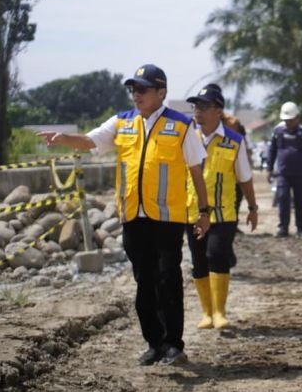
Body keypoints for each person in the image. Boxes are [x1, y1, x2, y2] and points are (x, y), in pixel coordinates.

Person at [38, 64, 210, 366]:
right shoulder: (122, 122)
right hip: (133, 216)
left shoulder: (182, 125)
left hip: (168, 218)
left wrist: (204, 211)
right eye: (133, 89)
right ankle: (154, 343)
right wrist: (63, 138)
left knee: (168, 278)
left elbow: (196, 170)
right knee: (144, 281)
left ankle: (173, 344)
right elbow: (90, 140)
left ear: (161, 92)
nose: (136, 94)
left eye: (142, 89)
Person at [185, 84, 259, 330]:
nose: (198, 110)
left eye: (204, 106)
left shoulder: (234, 141)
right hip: (193, 211)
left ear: (218, 111)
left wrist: (253, 207)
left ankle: (219, 312)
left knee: (216, 255)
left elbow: (244, 177)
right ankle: (206, 312)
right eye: (196, 106)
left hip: (223, 212)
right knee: (198, 260)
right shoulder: (187, 137)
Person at [267, 101, 302, 238]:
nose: (288, 123)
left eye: (291, 120)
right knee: (282, 199)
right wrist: (269, 169)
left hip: (300, 173)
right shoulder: (278, 131)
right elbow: (272, 150)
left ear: (297, 117)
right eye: (286, 120)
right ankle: (283, 228)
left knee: (300, 201)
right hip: (283, 173)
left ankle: (301, 229)